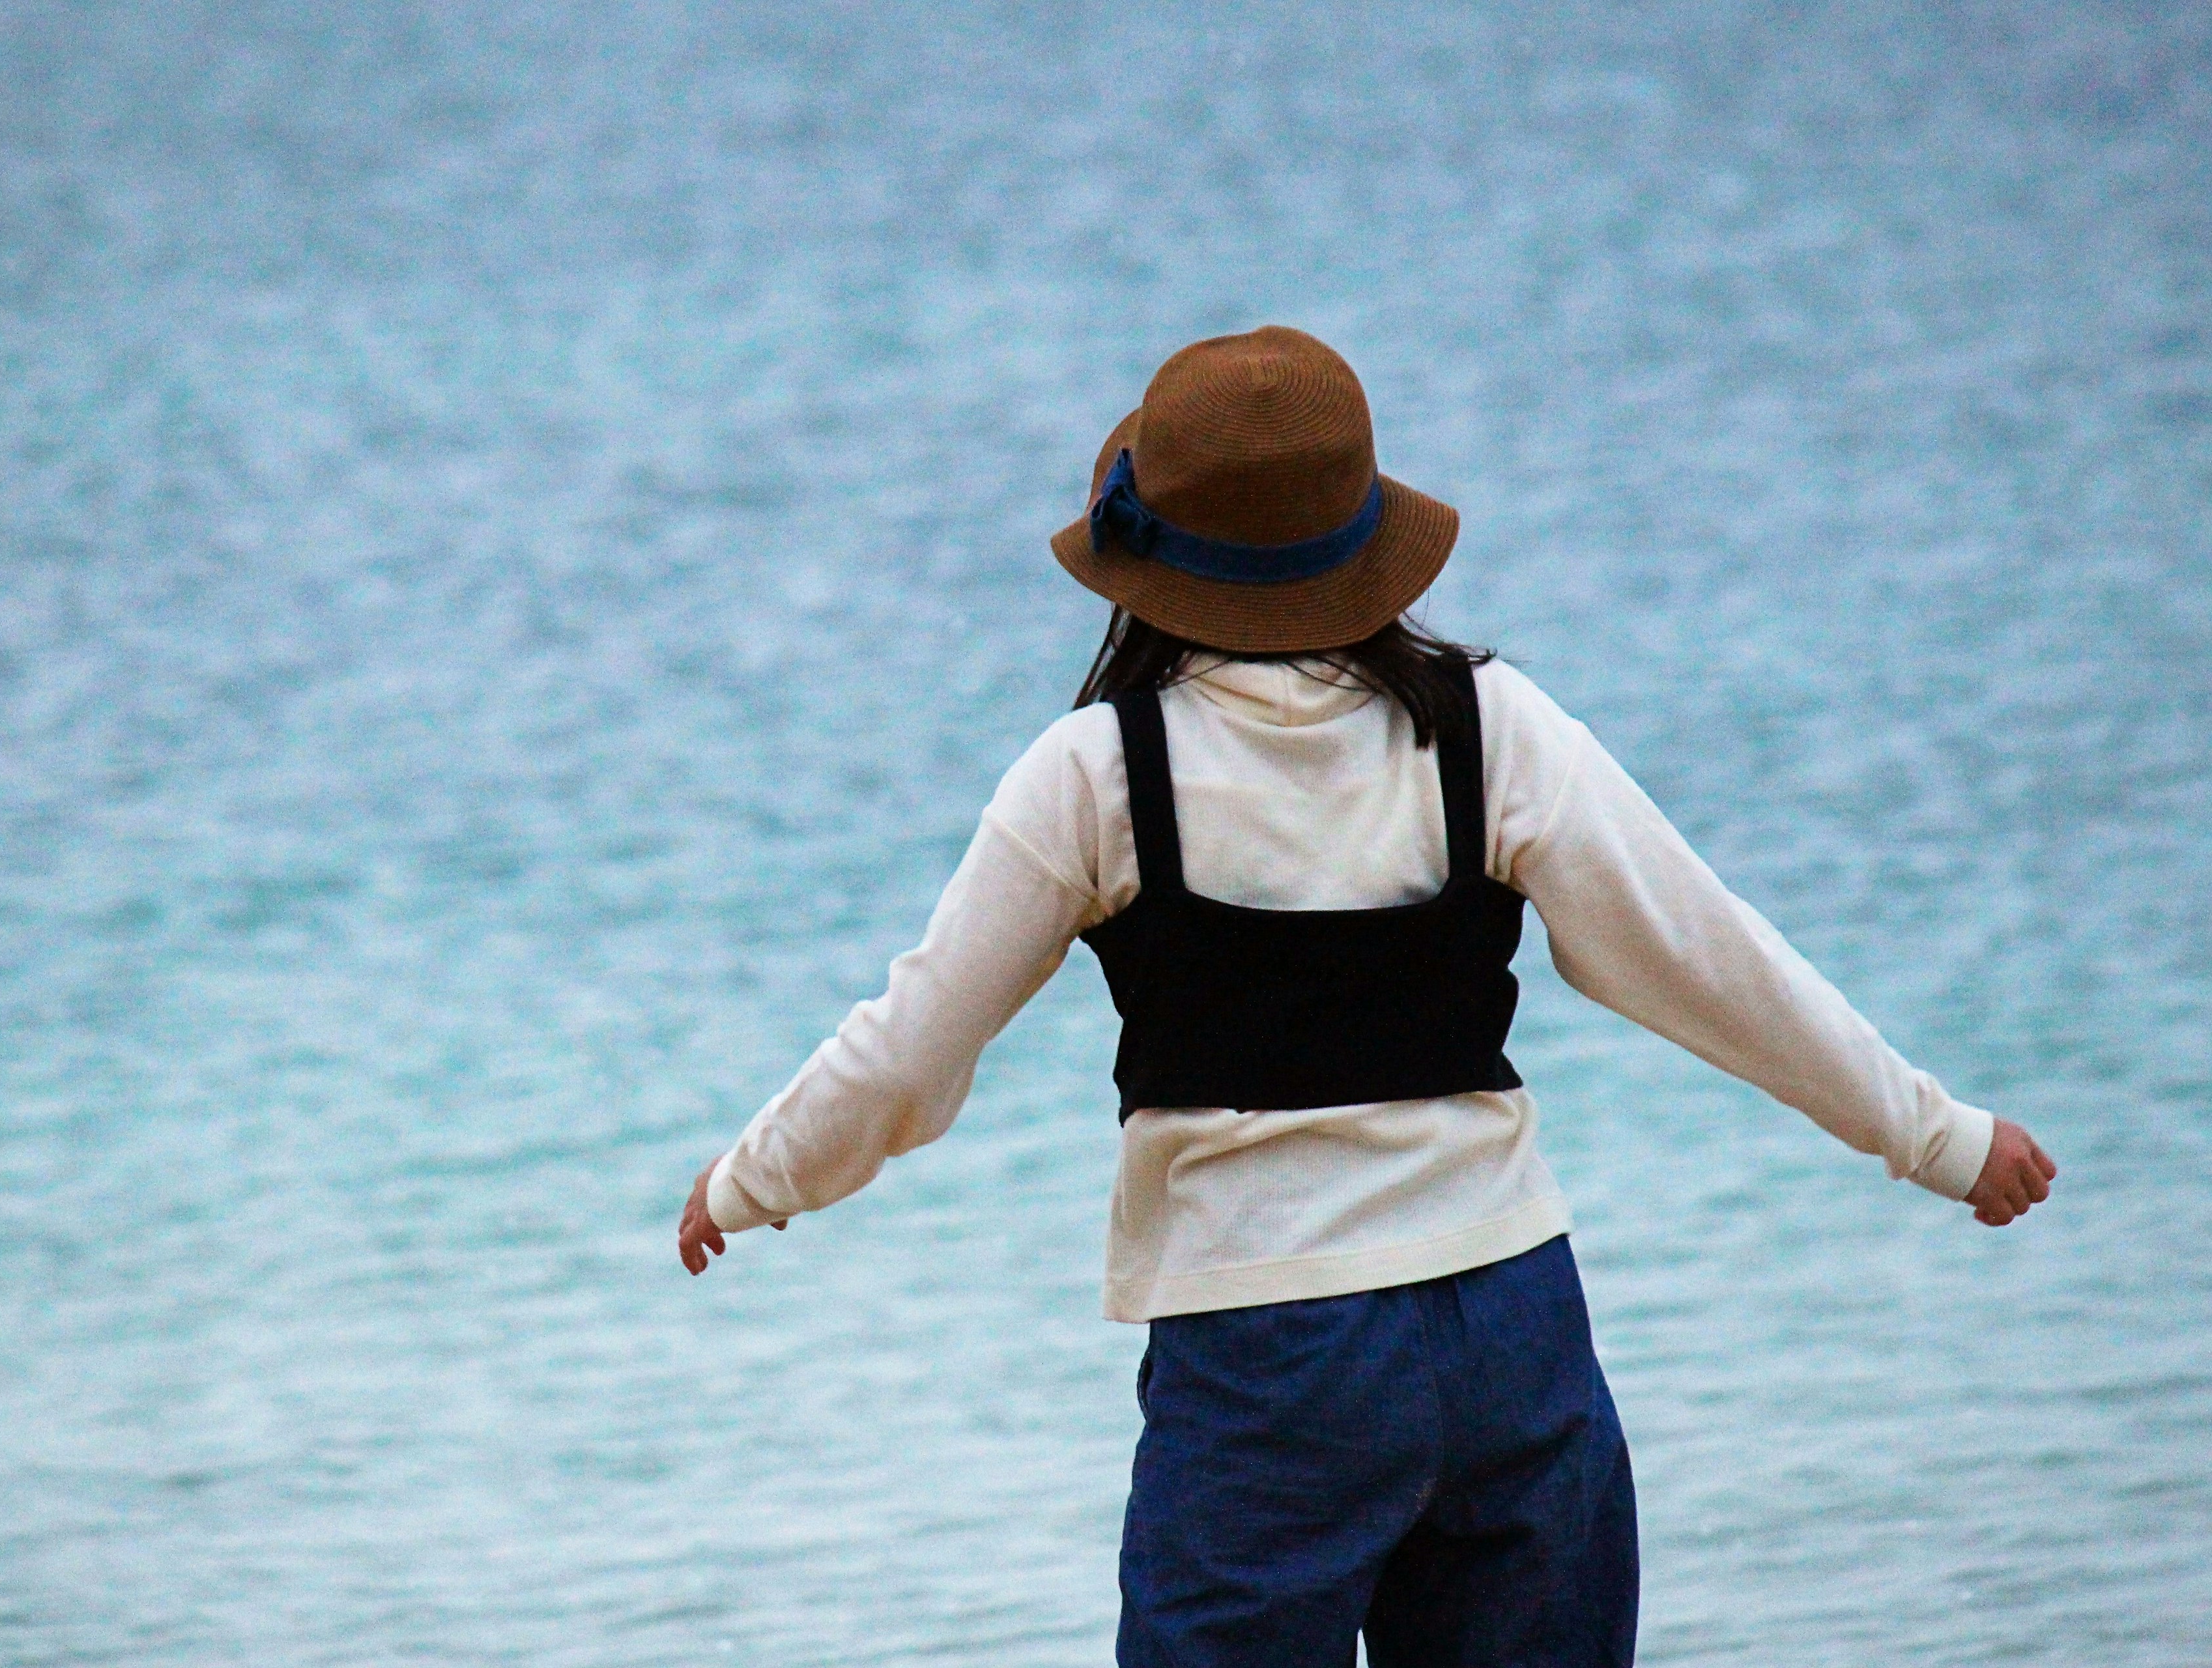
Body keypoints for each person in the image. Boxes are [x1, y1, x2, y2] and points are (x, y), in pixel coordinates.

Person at [674, 325, 2057, 1667]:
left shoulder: (1096, 775)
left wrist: (752, 1176)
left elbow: (915, 1050)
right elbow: (1715, 961)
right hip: (1513, 1328)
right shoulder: (1488, 722)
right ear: (1363, 536)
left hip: (1268, 1359)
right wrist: (1936, 1133)